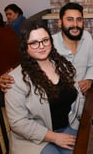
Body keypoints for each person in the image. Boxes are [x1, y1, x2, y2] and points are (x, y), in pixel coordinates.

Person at [5, 20, 82, 154]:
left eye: (45, 40)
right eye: (34, 43)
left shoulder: (62, 65)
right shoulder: (15, 79)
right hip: (33, 139)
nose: (41, 46)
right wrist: (54, 137)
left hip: (67, 126)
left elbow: (77, 98)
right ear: (25, 46)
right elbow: (18, 122)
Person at [0, 2, 93, 95]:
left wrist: (89, 79)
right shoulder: (48, 43)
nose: (75, 24)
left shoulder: (87, 37)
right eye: (70, 19)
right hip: (57, 101)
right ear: (60, 23)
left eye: (79, 20)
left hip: (83, 99)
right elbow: (29, 65)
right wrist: (9, 77)